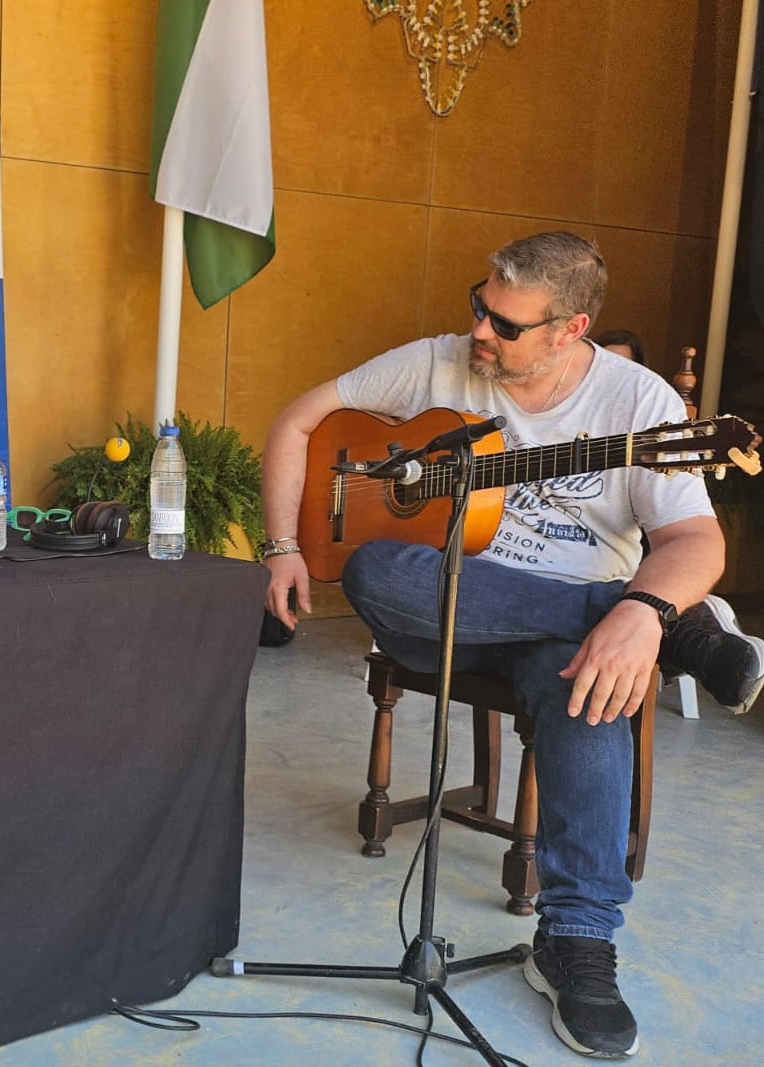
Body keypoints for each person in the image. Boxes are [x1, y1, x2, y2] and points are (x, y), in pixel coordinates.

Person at [262, 232, 727, 1058]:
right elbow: (299, 420)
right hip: (443, 609)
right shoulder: (441, 361)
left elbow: (694, 539)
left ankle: (576, 941)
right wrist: (283, 546)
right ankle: (652, 626)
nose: (479, 331)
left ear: (568, 329)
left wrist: (643, 609)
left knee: (588, 679)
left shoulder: (638, 404)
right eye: (479, 306)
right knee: (375, 567)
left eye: (504, 325)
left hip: (553, 640)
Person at [593, 328, 764, 712]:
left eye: (625, 366)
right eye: (605, 365)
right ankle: (689, 629)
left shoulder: (651, 428)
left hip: (629, 551)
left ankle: (678, 621)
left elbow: (682, 530)